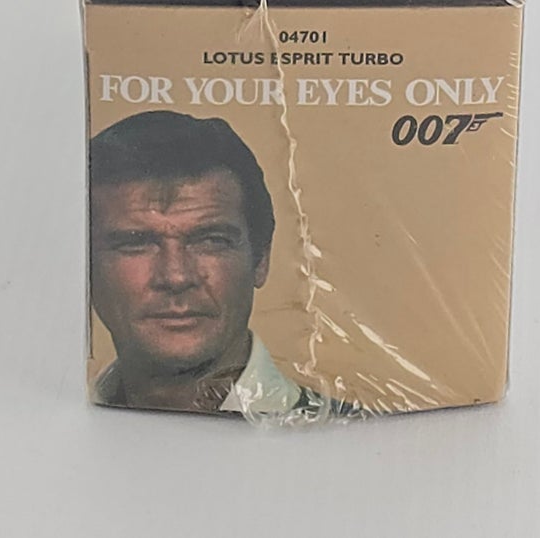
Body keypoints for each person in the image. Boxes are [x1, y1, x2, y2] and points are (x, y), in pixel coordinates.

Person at [87, 109, 354, 419]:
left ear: (261, 259)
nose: (176, 276)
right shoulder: (52, 424)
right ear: (85, 267)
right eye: (135, 243)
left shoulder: (357, 437)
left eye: (211, 241)